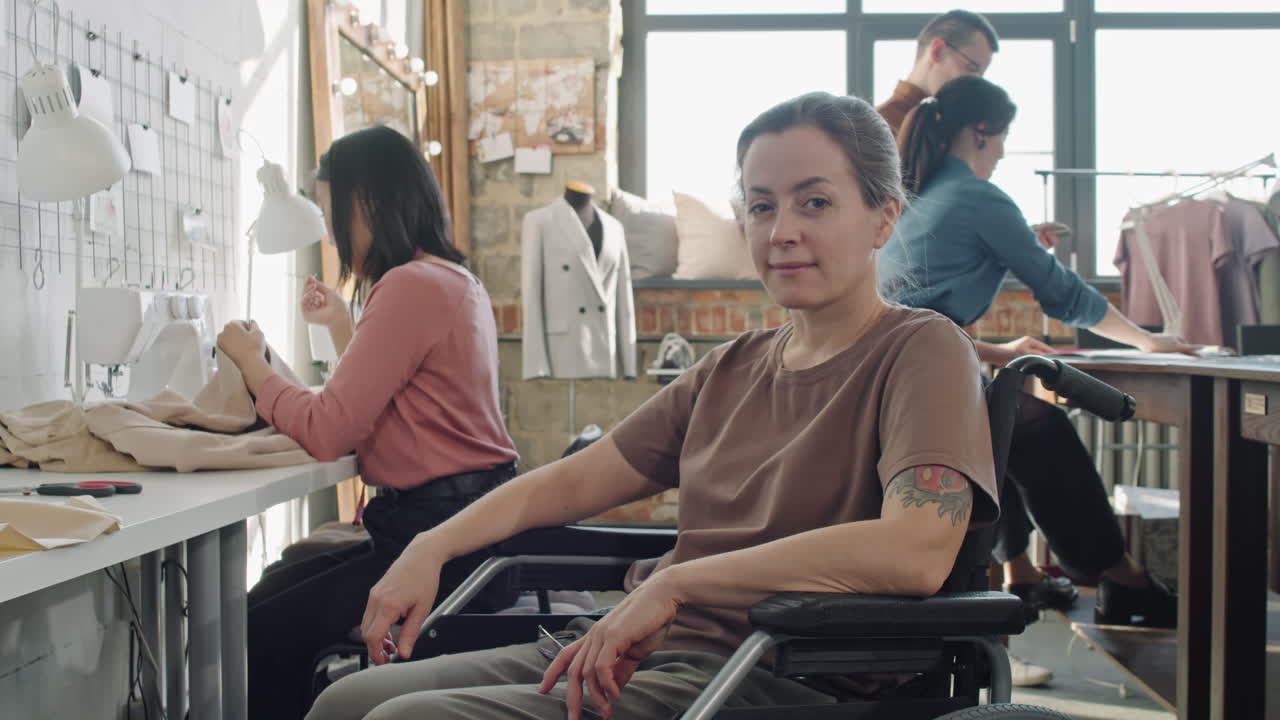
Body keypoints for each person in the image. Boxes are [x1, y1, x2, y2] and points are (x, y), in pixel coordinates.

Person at [305, 92, 1000, 720]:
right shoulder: (733, 367)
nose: (782, 229)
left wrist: (680, 585)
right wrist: (433, 545)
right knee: (348, 700)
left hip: (777, 675)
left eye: (814, 203)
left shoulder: (921, 350)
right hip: (653, 653)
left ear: (883, 218)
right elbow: (574, 481)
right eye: (761, 206)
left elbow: (916, 549)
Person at [216, 125, 520, 720]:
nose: (330, 234)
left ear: (366, 203)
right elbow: (405, 399)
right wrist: (337, 327)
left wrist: (254, 368)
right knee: (276, 587)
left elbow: (331, 428)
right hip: (457, 523)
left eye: (331, 214)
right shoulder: (449, 277)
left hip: (439, 538)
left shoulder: (409, 285)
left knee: (263, 626)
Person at [880, 75, 1187, 636]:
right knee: (1031, 423)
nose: (1000, 154)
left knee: (1004, 412)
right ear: (981, 132)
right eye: (1001, 141)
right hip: (914, 376)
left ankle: (1024, 574)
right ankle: (1119, 576)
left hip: (897, 372)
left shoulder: (922, 197)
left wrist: (1003, 346)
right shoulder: (976, 197)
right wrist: (1149, 340)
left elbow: (909, 321)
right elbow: (1063, 293)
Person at [876, 9, 998, 136]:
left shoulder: (943, 126)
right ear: (937, 51)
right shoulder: (877, 128)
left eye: (981, 76)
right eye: (971, 68)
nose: (977, 85)